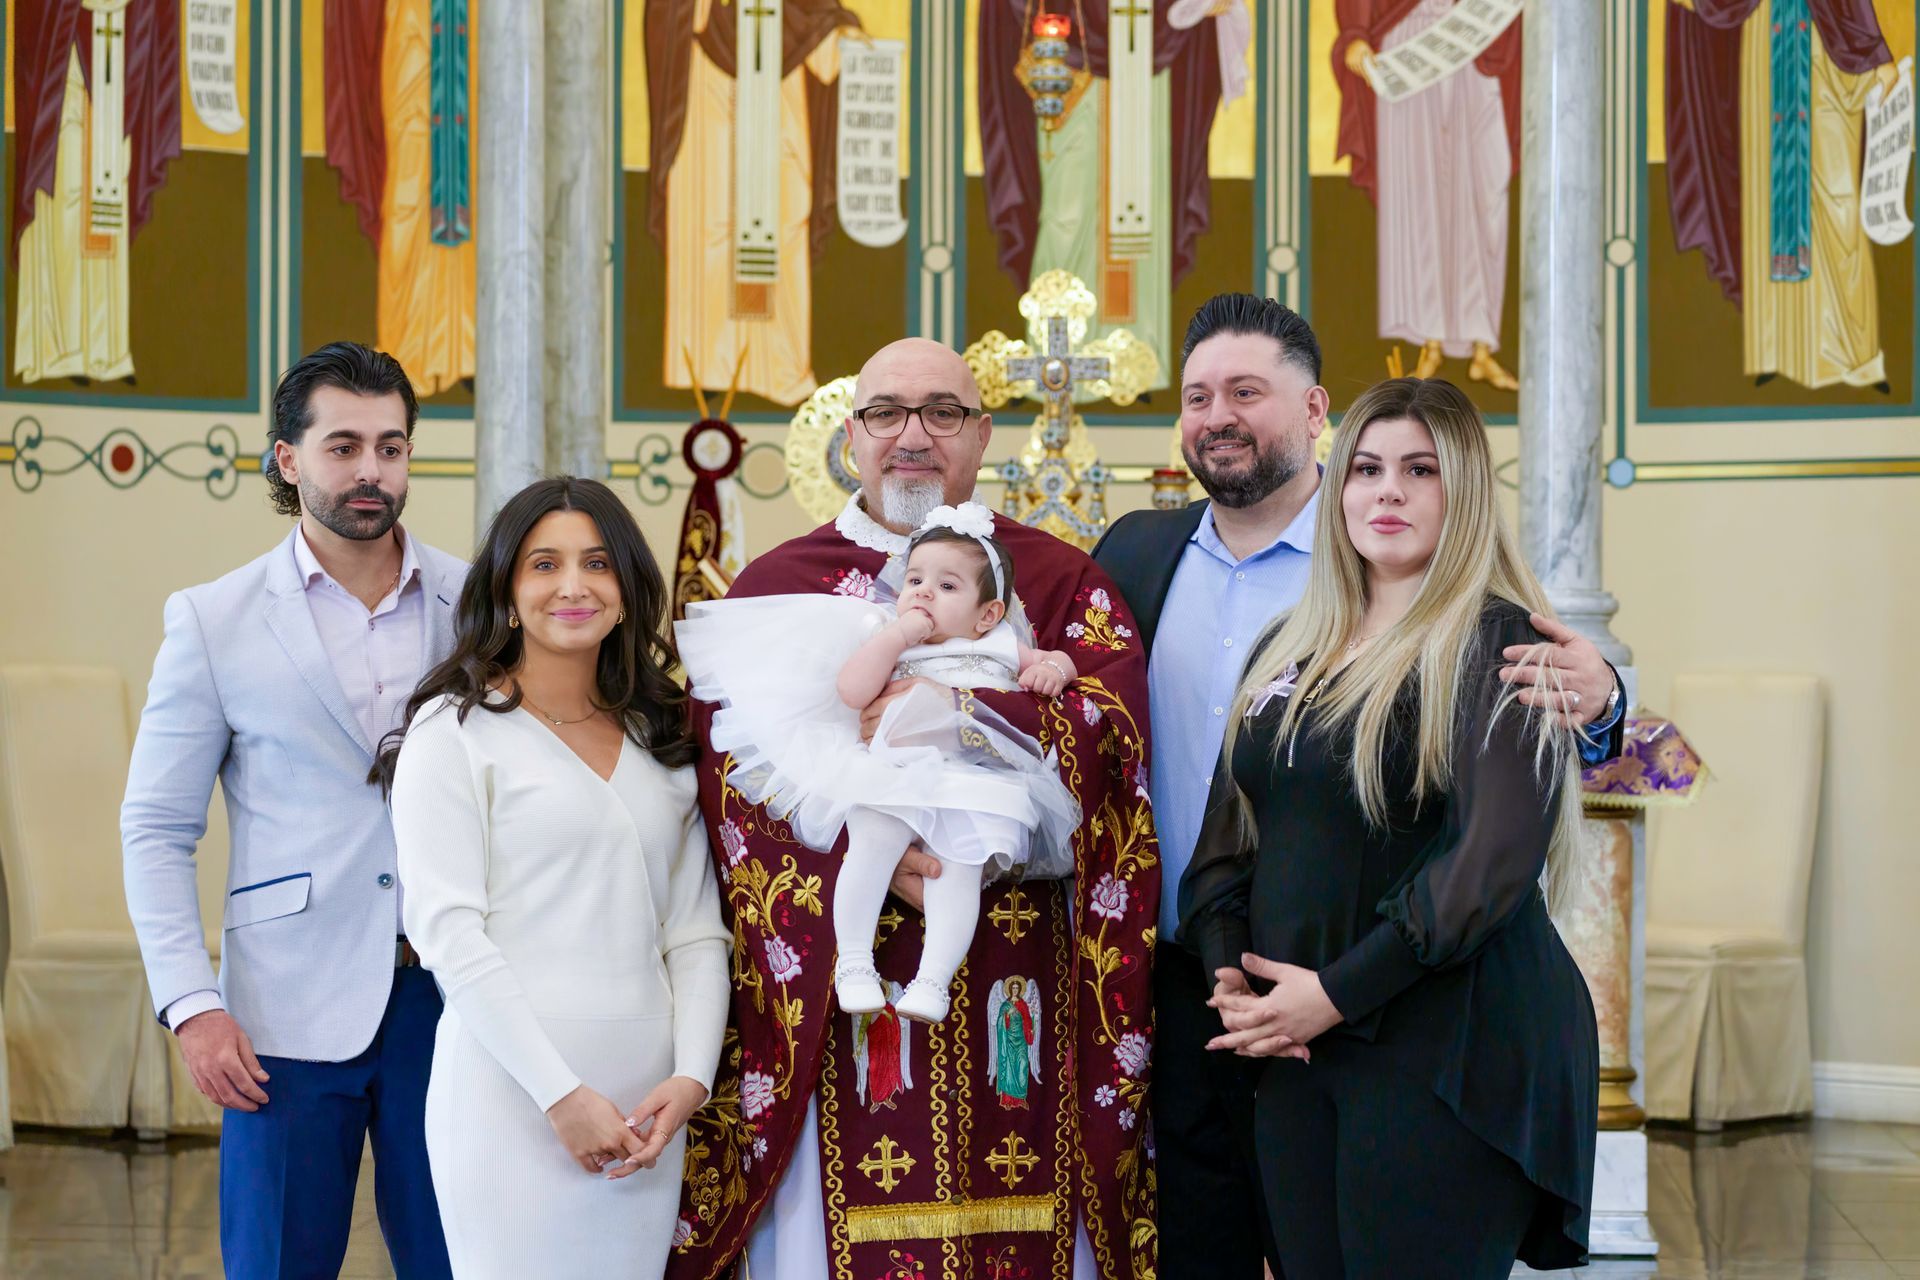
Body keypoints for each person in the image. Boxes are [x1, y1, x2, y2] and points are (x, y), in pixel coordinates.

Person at [1092, 293, 1623, 1280]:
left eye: (1421, 470)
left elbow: (1483, 868)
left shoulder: (1497, 640)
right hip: (1283, 1036)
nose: (1389, 491)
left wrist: (1331, 995)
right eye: (1372, 469)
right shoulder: (1281, 637)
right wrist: (1238, 984)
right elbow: (1224, 841)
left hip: (1435, 1040)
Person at [667, 338, 1157, 1280]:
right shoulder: (777, 584)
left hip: (1026, 985)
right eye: (887, 414)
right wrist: (870, 846)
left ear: (982, 436)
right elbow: (725, 785)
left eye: (943, 414)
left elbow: (1116, 737)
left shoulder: (1057, 583)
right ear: (850, 436)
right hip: (840, 1000)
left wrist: (964, 720)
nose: (913, 438)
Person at [120, 342, 460, 1278]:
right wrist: (192, 1005)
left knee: (459, 1258)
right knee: (278, 1263)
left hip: (457, 995)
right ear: (287, 457)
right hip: (282, 1013)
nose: (370, 471)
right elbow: (155, 828)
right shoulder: (213, 619)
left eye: (391, 447)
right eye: (343, 445)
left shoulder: (480, 604)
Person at [376, 477, 730, 1279]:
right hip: (511, 1098)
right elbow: (448, 934)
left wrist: (692, 1079)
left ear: (626, 589)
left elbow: (696, 932)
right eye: (544, 564)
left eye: (597, 563)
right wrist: (560, 1097)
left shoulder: (660, 737)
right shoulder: (454, 731)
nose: (573, 586)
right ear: (504, 592)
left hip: (649, 1105)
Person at [676, 502, 1081, 1026]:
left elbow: (1062, 666)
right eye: (915, 579)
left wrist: (1053, 670)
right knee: (870, 847)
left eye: (948, 586)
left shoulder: (1003, 645)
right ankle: (854, 964)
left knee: (959, 868)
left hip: (970, 783)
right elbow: (851, 692)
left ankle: (934, 979)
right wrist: (896, 636)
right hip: (894, 773)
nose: (924, 594)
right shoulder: (889, 639)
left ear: (988, 615)